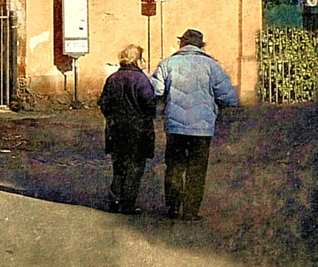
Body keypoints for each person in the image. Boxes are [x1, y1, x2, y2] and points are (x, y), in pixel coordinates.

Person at [150, 28, 239, 221]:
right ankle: (190, 210)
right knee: (197, 169)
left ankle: (173, 207)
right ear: (201, 45)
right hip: (203, 128)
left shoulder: (168, 63)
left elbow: (156, 89)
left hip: (175, 126)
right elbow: (229, 96)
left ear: (182, 43)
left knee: (174, 166)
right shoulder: (212, 66)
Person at [98, 44, 156, 213]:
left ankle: (115, 200)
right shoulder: (141, 79)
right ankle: (128, 204)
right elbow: (149, 104)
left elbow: (104, 103)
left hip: (115, 128)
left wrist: (112, 117)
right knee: (135, 166)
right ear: (137, 59)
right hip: (138, 130)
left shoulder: (113, 78)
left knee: (119, 165)